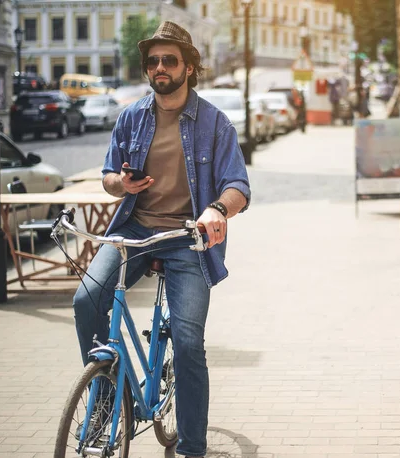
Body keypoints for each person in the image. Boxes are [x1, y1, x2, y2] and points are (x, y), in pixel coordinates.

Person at [72, 21, 251, 458]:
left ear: (189, 67)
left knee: (188, 343)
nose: (159, 67)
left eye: (169, 60)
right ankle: (109, 392)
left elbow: (238, 186)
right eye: (152, 61)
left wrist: (217, 209)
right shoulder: (132, 116)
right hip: (134, 231)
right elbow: (109, 176)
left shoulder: (214, 122)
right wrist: (121, 184)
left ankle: (191, 448)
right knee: (85, 300)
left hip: (187, 236)